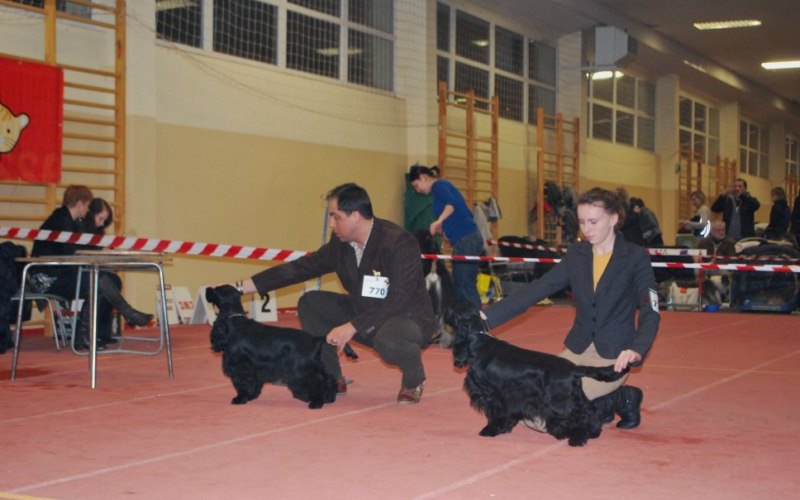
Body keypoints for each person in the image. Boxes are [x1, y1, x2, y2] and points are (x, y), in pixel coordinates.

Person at [231, 183, 437, 404]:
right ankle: (330, 378)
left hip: (406, 318)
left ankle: (414, 379)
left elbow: (399, 297)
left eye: (335, 217)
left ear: (355, 216)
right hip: (366, 311)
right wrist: (240, 288)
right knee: (311, 303)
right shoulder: (340, 244)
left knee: (389, 340)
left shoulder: (398, 242)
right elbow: (300, 268)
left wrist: (352, 326)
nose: (331, 224)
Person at [483, 187, 660, 430]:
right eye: (582, 222)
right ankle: (609, 399)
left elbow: (651, 310)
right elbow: (538, 289)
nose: (586, 229)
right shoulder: (577, 254)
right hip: (577, 349)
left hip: (614, 357)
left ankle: (619, 398)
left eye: (593, 222)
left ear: (613, 218)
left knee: (551, 418)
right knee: (528, 411)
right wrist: (486, 317)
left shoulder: (635, 257)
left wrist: (636, 350)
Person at [30, 187, 153, 350]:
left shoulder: (69, 221)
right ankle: (113, 321)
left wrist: (99, 253)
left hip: (59, 273)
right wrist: (100, 254)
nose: (88, 210)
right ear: (80, 204)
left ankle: (100, 332)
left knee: (112, 280)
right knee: (99, 280)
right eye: (87, 205)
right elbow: (71, 254)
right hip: (47, 279)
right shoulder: (61, 221)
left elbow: (76, 251)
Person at [409, 165, 484, 308]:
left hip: (467, 238)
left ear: (423, 178)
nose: (417, 190)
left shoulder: (439, 185)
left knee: (463, 284)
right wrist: (443, 229)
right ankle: (474, 316)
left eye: (416, 185)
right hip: (464, 239)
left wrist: (439, 221)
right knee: (463, 283)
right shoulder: (439, 190)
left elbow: (452, 205)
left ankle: (474, 317)